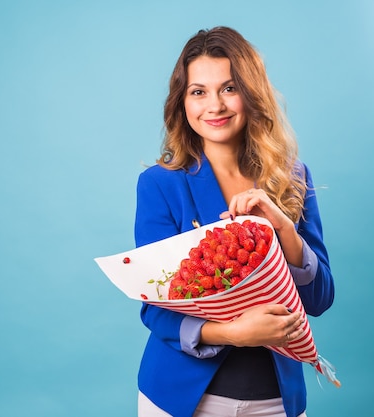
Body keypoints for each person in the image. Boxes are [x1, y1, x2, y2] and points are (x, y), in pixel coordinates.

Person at [133, 26, 334, 417]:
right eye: (198, 91)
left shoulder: (292, 178)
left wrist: (284, 229)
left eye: (228, 88)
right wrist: (234, 334)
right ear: (182, 102)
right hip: (182, 400)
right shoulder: (159, 184)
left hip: (278, 400)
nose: (215, 105)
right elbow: (155, 308)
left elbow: (320, 299)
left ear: (251, 93)